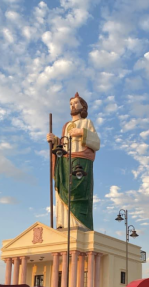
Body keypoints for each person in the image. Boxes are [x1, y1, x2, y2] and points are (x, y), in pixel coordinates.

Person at [46, 92, 100, 230]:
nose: (73, 106)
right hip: (64, 162)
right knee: (63, 191)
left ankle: (79, 224)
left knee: (77, 193)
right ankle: (63, 223)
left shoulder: (87, 122)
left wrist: (82, 132)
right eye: (71, 104)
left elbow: (97, 143)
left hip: (80, 162)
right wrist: (54, 140)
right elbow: (62, 145)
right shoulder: (66, 125)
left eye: (76, 103)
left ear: (83, 106)